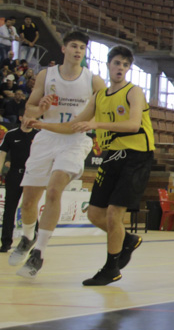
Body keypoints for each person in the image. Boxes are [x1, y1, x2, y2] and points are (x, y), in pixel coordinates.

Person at [31, 45, 154, 286]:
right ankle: (127, 240)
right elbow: (74, 124)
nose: (120, 68)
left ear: (128, 69)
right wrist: (41, 124)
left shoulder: (134, 91)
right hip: (112, 155)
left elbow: (132, 125)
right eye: (117, 63)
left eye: (125, 65)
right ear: (108, 65)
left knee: (113, 214)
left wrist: (96, 124)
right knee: (94, 214)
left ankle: (111, 268)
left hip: (136, 155)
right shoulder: (99, 96)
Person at [9, 31, 105, 279]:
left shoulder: (93, 81)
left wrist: (93, 123)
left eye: (82, 48)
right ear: (63, 49)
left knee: (54, 191)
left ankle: (39, 253)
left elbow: (104, 113)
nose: (78, 51)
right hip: (46, 136)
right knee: (29, 201)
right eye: (74, 46)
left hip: (74, 140)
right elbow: (30, 110)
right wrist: (39, 108)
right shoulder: (46, 75)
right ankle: (27, 238)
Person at [0, 121, 37, 252]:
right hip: (14, 174)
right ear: (22, 117)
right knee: (9, 209)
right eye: (29, 116)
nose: (32, 120)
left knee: (30, 207)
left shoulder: (39, 135)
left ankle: (34, 242)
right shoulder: (11, 134)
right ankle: (5, 243)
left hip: (31, 175)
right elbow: (2, 156)